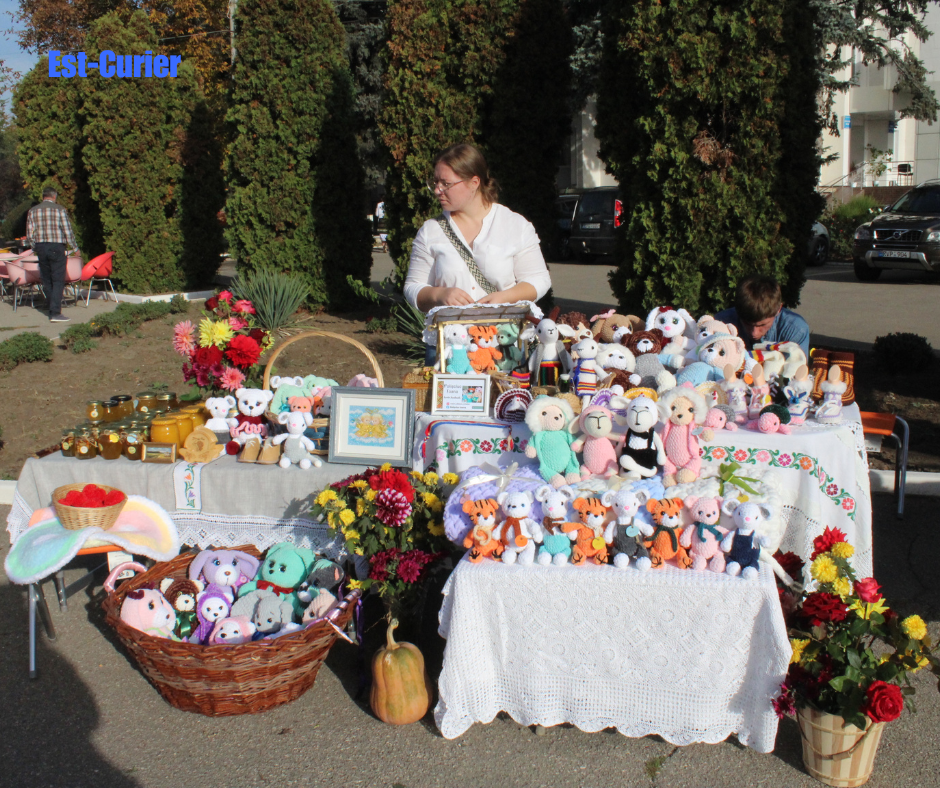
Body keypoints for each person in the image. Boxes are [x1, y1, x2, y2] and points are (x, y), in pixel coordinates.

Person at [403, 143, 551, 312]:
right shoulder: (431, 230)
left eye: (446, 184)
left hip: (503, 327)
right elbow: (413, 287)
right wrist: (439, 295)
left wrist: (505, 298)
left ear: (474, 182)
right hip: (451, 328)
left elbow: (539, 279)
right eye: (435, 183)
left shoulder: (514, 225)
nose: (437, 190)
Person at [715, 275, 810, 359]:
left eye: (762, 325)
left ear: (778, 309)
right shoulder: (721, 323)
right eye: (747, 324)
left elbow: (796, 370)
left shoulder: (795, 329)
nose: (754, 333)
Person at [26, 187, 79, 323]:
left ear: (43, 196)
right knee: (58, 279)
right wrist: (75, 247)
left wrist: (34, 246)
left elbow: (30, 233)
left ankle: (51, 307)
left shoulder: (33, 211)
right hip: (56, 246)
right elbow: (67, 230)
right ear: (54, 196)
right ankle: (55, 312)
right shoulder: (59, 209)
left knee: (47, 279)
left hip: (41, 247)